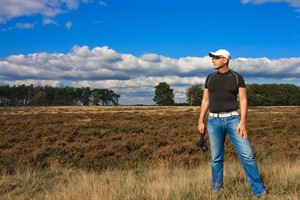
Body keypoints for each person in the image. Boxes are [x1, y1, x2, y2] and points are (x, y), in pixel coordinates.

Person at [198, 49, 267, 197]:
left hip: (233, 120)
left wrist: (242, 122)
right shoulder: (210, 78)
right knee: (216, 158)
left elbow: (243, 100)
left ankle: (259, 191)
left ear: (225, 60)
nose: (213, 60)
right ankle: (216, 190)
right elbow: (205, 100)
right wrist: (201, 120)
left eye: (216, 58)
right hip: (213, 120)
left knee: (247, 156)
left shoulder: (236, 77)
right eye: (212, 58)